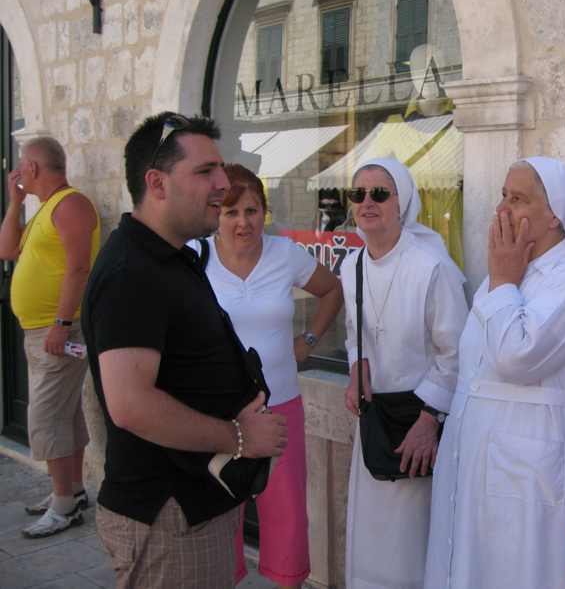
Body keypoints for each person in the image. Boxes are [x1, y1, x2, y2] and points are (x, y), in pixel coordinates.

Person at [81, 112, 288, 588]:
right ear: (156, 183)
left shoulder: (171, 255)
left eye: (220, 168)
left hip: (191, 509)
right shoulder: (133, 270)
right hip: (167, 519)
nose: (222, 183)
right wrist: (239, 438)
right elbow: (131, 403)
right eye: (205, 171)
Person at [424, 157, 565, 589]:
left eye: (518, 198)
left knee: (527, 572)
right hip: (479, 460)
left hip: (534, 465)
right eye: (502, 195)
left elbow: (515, 358)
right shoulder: (511, 270)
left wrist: (501, 278)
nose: (502, 208)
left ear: (555, 215)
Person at [188, 163, 343, 588]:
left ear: (264, 212)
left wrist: (306, 341)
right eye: (231, 212)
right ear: (216, 212)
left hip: (280, 405)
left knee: (287, 512)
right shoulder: (194, 259)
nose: (243, 222)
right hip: (220, 411)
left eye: (253, 211)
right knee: (221, 512)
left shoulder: (285, 253)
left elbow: (333, 290)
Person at [342, 158, 467, 589]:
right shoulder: (351, 266)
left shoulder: (432, 267)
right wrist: (357, 366)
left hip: (417, 428)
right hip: (375, 423)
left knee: (410, 544)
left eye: (380, 193)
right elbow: (354, 335)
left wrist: (429, 421)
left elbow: (457, 354)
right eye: (358, 194)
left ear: (403, 203)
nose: (367, 202)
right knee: (371, 539)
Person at [0, 137, 100, 538]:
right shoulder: (45, 208)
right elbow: (7, 249)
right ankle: (73, 491)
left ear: (33, 169)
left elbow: (80, 268)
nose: (18, 173)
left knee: (44, 417)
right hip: (42, 331)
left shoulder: (70, 203)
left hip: (59, 329)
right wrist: (13, 202)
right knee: (65, 413)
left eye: (21, 166)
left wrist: (60, 324)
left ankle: (63, 506)